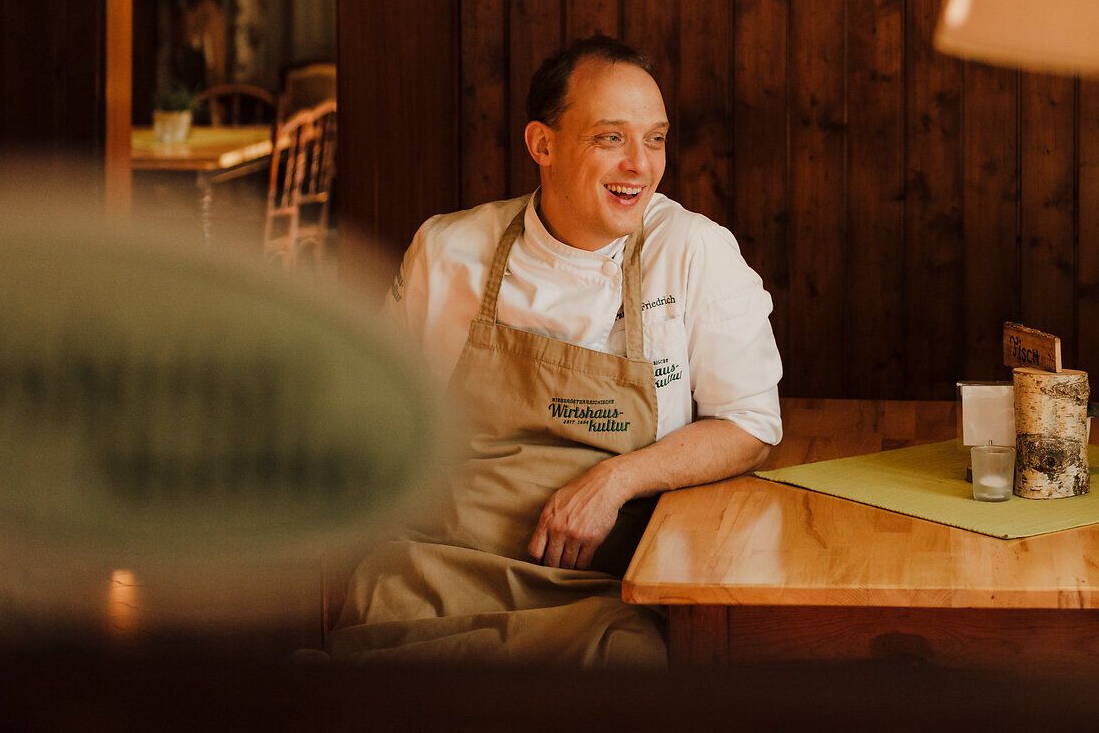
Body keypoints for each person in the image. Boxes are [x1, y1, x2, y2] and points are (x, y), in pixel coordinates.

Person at [328, 36, 782, 665]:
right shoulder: (447, 250)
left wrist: (616, 479)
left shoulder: (694, 253)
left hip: (605, 592)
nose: (641, 165)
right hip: (432, 574)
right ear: (542, 144)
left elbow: (749, 424)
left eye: (655, 139)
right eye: (610, 138)